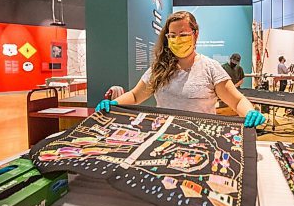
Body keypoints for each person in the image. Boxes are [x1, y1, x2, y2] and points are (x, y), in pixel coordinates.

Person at [95, 11, 265, 128]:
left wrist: (250, 112)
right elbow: (135, 95)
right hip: (164, 137)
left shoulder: (210, 67)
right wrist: (115, 103)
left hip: (202, 138)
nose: (177, 39)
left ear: (195, 34)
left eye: (183, 35)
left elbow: (236, 101)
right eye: (172, 35)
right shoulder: (159, 68)